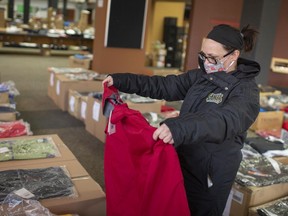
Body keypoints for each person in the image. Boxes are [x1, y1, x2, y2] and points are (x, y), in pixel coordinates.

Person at [102, 24, 260, 216]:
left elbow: (222, 119)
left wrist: (180, 127)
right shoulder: (202, 76)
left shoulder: (246, 90)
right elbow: (164, 85)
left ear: (234, 55)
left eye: (213, 58)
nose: (207, 62)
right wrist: (121, 80)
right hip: (185, 158)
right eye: (203, 56)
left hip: (210, 172)